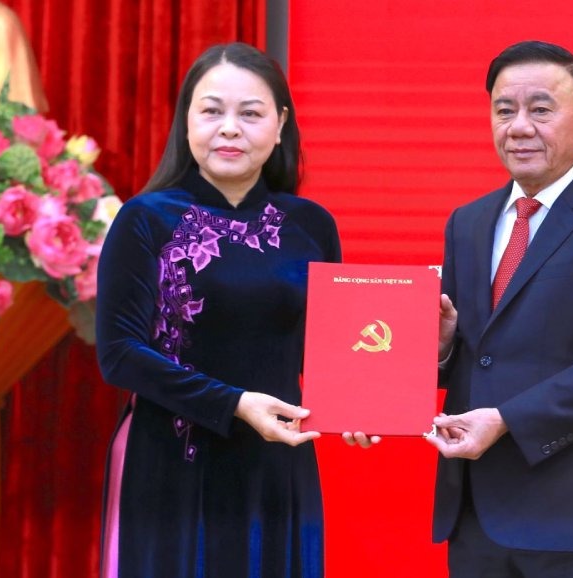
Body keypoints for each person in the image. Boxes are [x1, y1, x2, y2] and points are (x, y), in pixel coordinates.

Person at [96, 42, 371, 578]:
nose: (229, 128)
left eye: (251, 113)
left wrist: (363, 403)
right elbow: (119, 355)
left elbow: (331, 350)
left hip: (276, 464)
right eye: (212, 110)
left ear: (280, 124)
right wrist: (235, 404)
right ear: (187, 121)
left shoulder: (311, 225)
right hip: (172, 461)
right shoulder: (145, 220)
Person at [426, 40, 573, 578]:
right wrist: (442, 350)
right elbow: (478, 354)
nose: (518, 127)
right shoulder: (467, 222)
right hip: (474, 517)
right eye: (504, 110)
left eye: (540, 109)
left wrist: (507, 419)